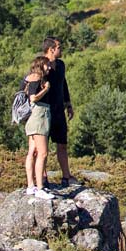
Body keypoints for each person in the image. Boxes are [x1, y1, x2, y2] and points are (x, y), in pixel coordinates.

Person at [40, 37, 78, 189]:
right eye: (59, 47)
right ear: (51, 49)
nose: (61, 49)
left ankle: (66, 176)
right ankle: (43, 177)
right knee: (43, 148)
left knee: (62, 144)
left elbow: (64, 83)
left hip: (59, 111)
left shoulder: (61, 65)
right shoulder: (41, 65)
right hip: (44, 110)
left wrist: (68, 104)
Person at [23, 56, 55, 199]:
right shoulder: (37, 78)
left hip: (32, 118)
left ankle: (31, 186)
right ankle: (40, 187)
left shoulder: (27, 78)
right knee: (42, 153)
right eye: (47, 65)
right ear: (41, 65)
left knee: (32, 152)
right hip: (39, 116)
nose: (49, 68)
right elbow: (33, 98)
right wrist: (46, 89)